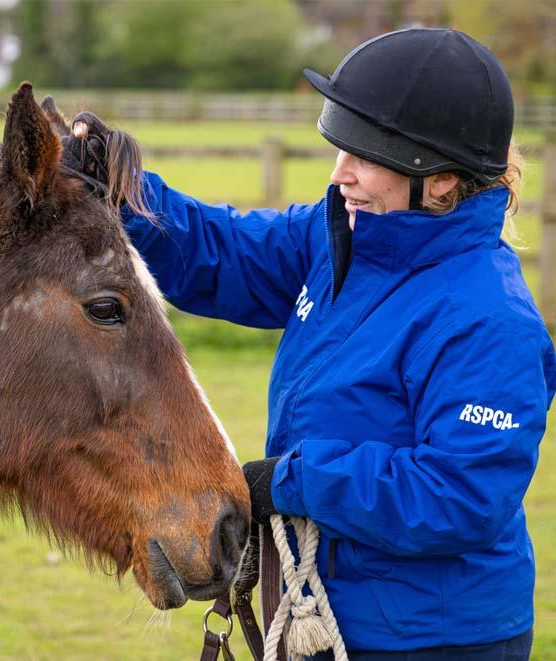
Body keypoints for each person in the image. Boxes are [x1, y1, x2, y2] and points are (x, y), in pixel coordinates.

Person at [69, 28, 556, 659]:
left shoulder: (490, 320)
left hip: (429, 640)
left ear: (440, 181)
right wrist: (122, 188)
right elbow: (219, 251)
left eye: (365, 156)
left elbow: (460, 497)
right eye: (341, 149)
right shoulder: (341, 239)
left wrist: (296, 481)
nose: (340, 174)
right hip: (326, 617)